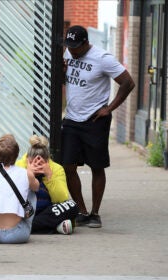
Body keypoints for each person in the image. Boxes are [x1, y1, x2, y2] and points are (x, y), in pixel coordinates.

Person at [62, 25, 135, 228]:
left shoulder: (103, 58)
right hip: (71, 118)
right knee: (68, 166)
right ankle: (81, 211)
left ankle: (94, 213)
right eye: (70, 46)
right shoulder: (68, 52)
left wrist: (109, 108)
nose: (72, 51)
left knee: (97, 166)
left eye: (76, 47)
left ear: (85, 43)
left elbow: (128, 82)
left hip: (95, 120)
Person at [16, 135, 78, 235]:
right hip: (26, 211)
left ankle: (29, 227)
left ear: (47, 160)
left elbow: (62, 198)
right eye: (33, 162)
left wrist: (49, 176)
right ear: (27, 158)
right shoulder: (19, 166)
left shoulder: (57, 168)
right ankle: (53, 227)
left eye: (41, 163)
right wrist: (28, 175)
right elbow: (13, 196)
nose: (37, 165)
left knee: (72, 205)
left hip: (48, 211)